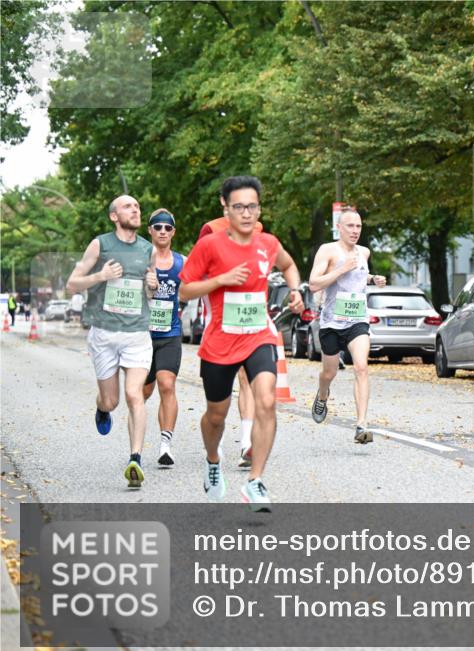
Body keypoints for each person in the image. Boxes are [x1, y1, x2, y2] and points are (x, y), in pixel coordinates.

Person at [179, 176, 303, 511]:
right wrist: (219, 280)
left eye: (252, 206)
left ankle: (256, 481)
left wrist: (296, 290)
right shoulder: (210, 245)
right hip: (220, 341)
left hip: (258, 336)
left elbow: (289, 265)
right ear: (225, 206)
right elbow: (184, 290)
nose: (246, 213)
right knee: (216, 416)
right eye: (238, 207)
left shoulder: (268, 243)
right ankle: (213, 460)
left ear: (258, 208)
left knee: (266, 401)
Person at [66, 195, 158, 487]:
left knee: (135, 395)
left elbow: (150, 292)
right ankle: (102, 407)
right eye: (128, 207)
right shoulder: (100, 244)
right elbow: (72, 283)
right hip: (104, 334)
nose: (135, 210)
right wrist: (101, 275)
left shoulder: (148, 249)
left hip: (137, 334)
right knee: (113, 400)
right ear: (114, 216)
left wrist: (152, 286)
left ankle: (135, 460)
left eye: (137, 207)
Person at [308, 209, 386, 443]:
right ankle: (322, 396)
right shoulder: (327, 250)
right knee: (329, 372)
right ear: (339, 228)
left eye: (358, 226)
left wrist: (373, 279)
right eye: (350, 226)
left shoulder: (364, 252)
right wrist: (341, 268)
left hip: (357, 320)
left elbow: (360, 274)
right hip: (332, 322)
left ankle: (361, 425)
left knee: (361, 367)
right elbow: (313, 284)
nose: (355, 231)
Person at [198, 216, 264, 468]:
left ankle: (247, 442)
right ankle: (214, 443)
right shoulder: (210, 229)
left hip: (247, 318)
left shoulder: (257, 229)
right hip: (218, 322)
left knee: (247, 380)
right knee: (217, 401)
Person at [141, 209, 185, 466]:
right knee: (142, 393)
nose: (162, 231)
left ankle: (165, 445)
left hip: (171, 333)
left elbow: (196, 287)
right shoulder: (140, 262)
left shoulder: (183, 262)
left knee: (167, 384)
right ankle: (135, 443)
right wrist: (146, 287)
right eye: (157, 227)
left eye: (167, 228)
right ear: (150, 230)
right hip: (142, 338)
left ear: (173, 232)